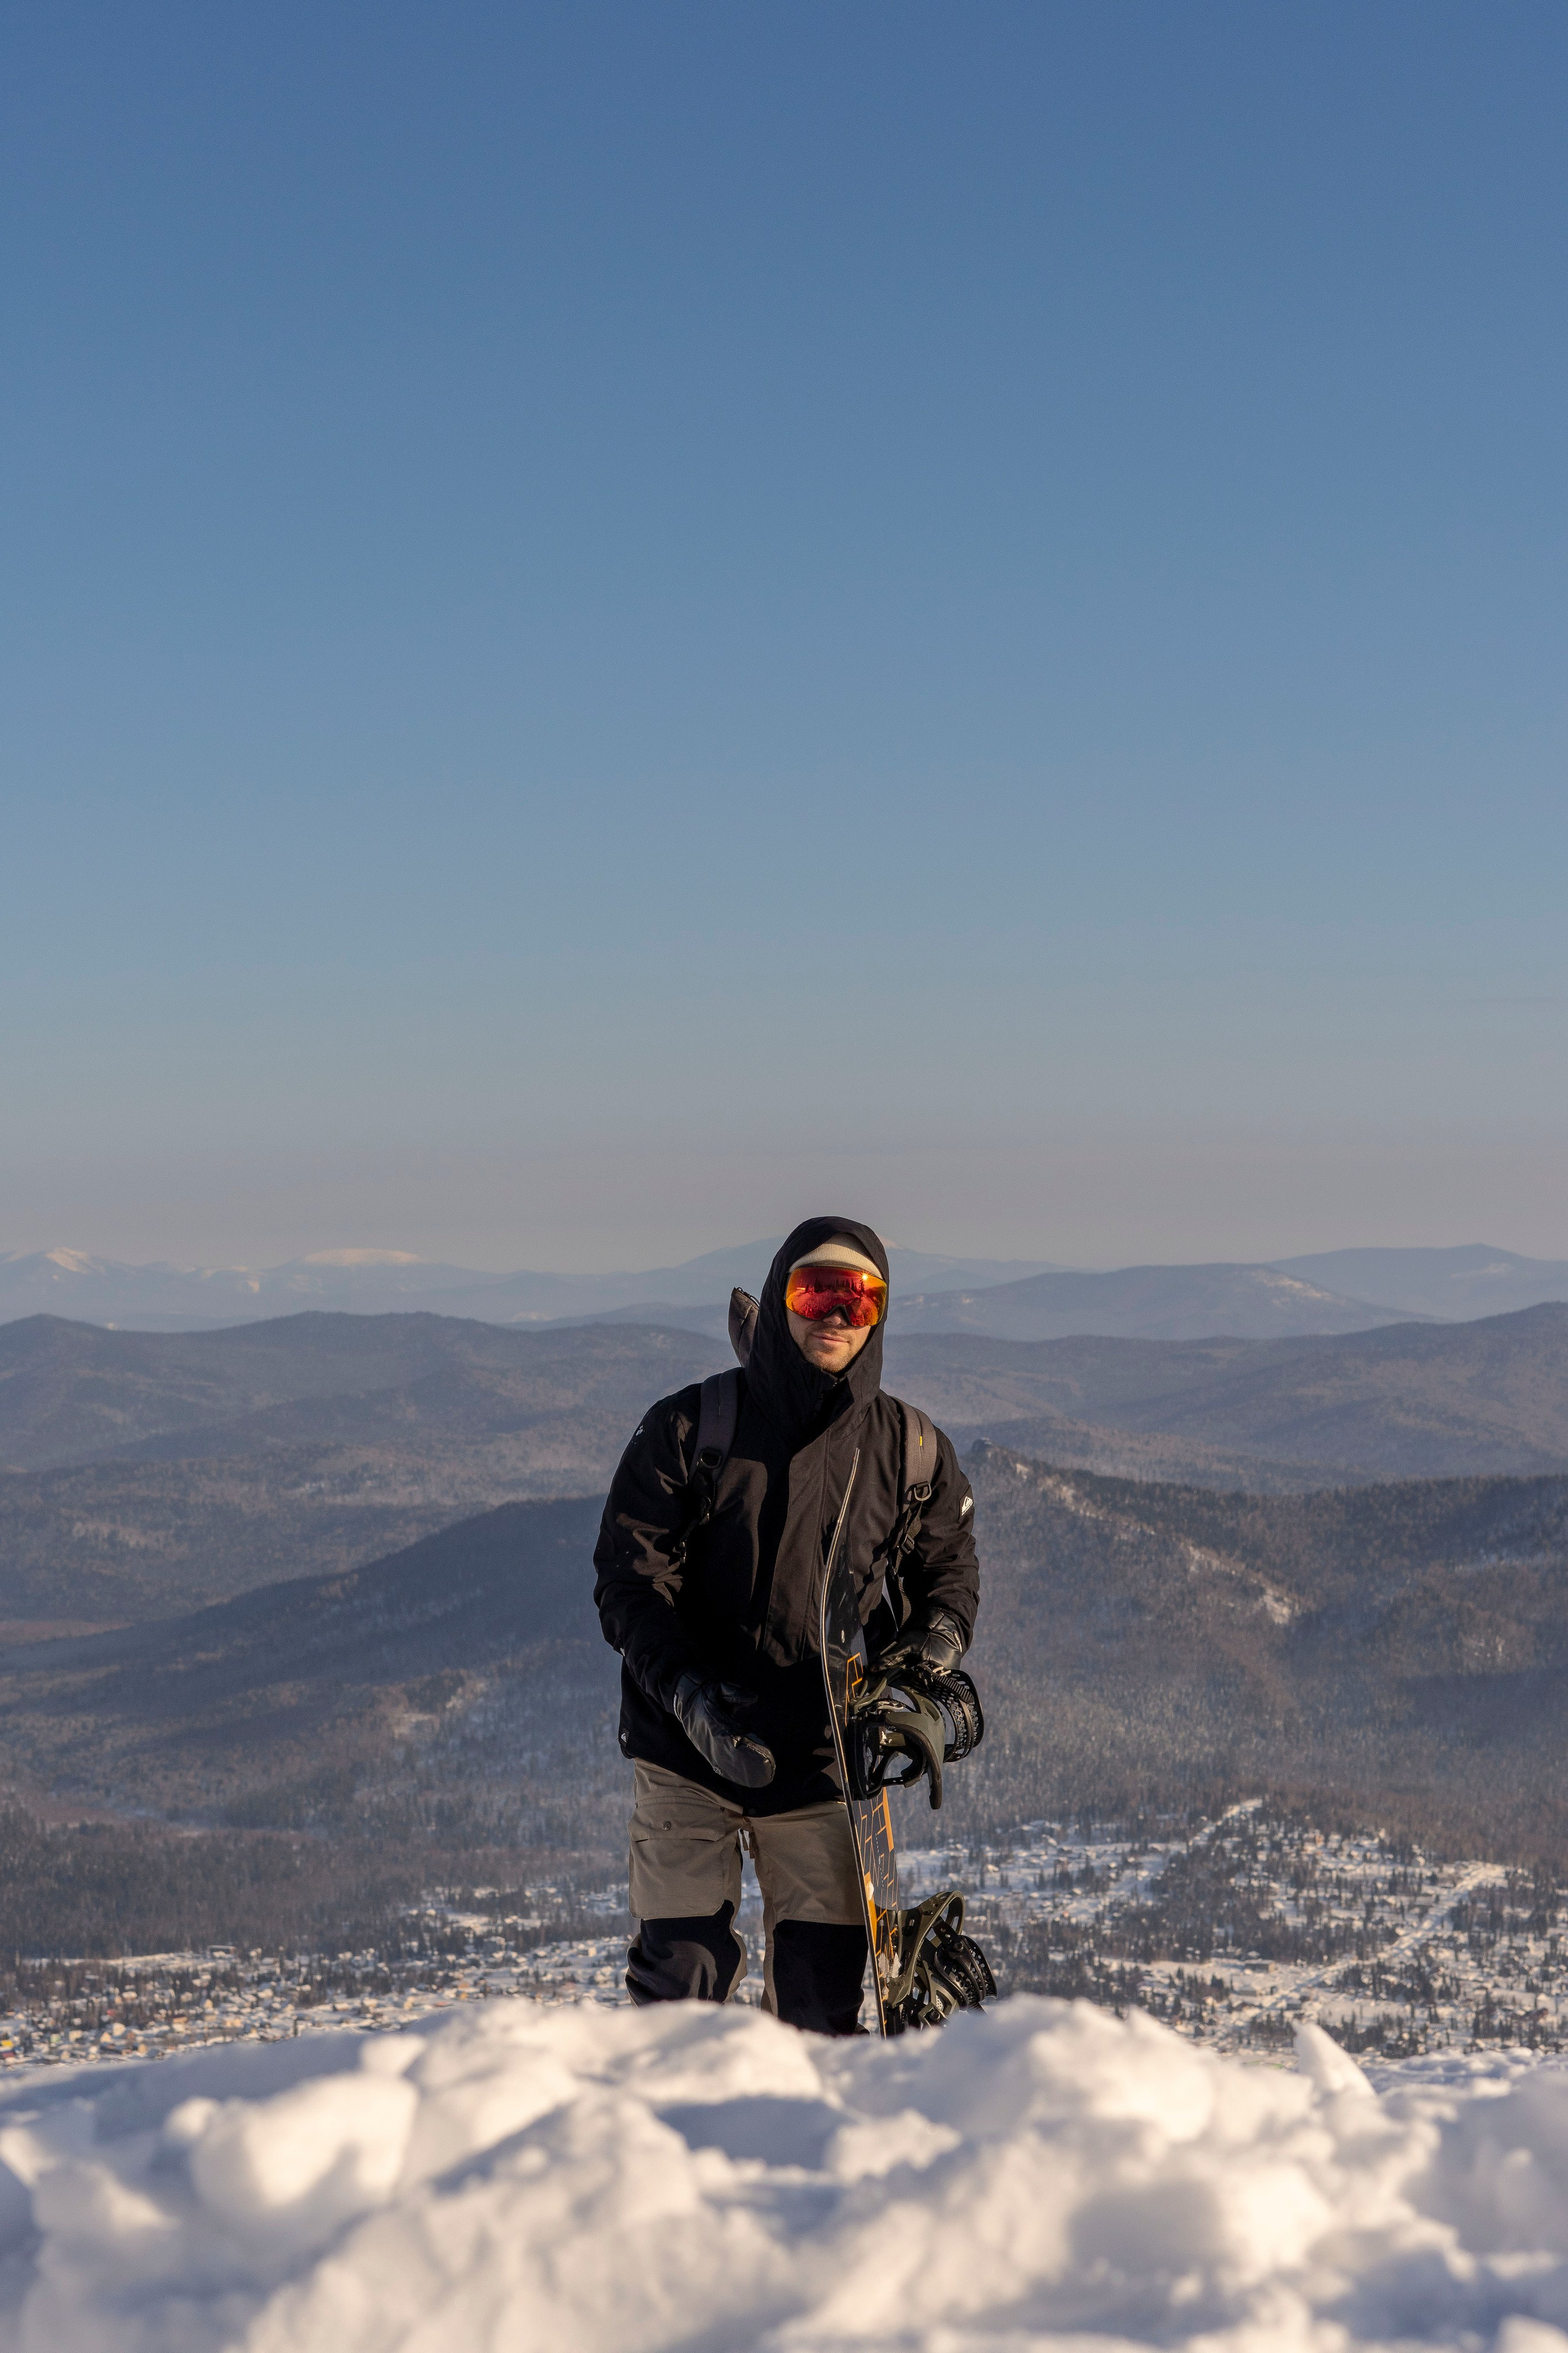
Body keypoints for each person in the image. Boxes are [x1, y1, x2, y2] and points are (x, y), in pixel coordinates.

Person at [592, 1215, 980, 2034]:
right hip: (685, 1754)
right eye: (816, 1290)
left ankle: (792, 2154)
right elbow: (631, 1578)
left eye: (858, 1295)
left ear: (879, 1315)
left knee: (820, 2006)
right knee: (679, 1989)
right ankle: (668, 2151)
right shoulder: (691, 1428)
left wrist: (923, 1666)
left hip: (822, 1762)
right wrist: (691, 1695)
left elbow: (947, 1573)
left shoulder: (909, 1451)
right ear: (780, 1299)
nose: (835, 1314)